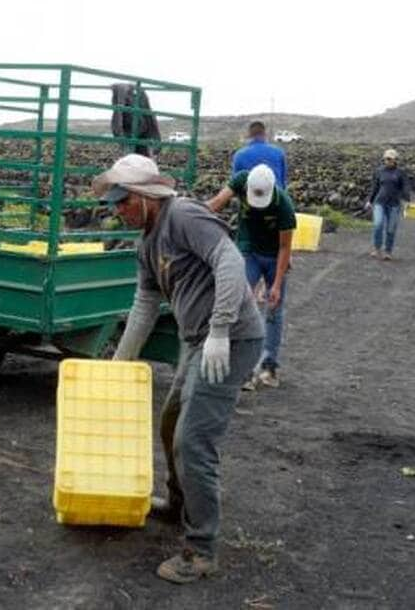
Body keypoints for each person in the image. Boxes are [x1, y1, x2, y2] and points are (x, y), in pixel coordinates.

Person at [94, 153, 264, 584]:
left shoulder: (183, 215)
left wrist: (222, 328)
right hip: (196, 341)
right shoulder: (145, 243)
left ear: (147, 196)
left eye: (122, 201)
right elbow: (144, 305)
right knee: (171, 422)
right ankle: (178, 502)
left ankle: (201, 549)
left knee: (194, 439)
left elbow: (228, 260)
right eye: (113, 203)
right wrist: (119, 362)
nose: (117, 210)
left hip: (231, 338)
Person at [206, 164, 295, 389]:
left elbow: (285, 248)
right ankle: (243, 369)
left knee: (274, 310)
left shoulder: (283, 206)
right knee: (240, 301)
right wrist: (190, 215)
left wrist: (274, 285)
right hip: (248, 250)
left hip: (275, 255)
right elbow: (215, 204)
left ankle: (269, 366)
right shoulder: (240, 180)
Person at [364, 149, 411, 260]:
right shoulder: (379, 171)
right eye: (386, 158)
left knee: (390, 229)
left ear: (395, 160)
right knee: (378, 225)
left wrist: (407, 201)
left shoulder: (400, 173)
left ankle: (388, 251)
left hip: (394, 204)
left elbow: (405, 188)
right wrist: (369, 201)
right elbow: (375, 187)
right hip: (380, 203)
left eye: (390, 159)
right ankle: (377, 248)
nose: (387, 161)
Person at [231, 121, 288, 189]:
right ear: (264, 133)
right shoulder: (279, 152)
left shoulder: (239, 155)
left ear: (249, 135)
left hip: (250, 197)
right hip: (276, 196)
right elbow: (283, 180)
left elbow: (235, 184)